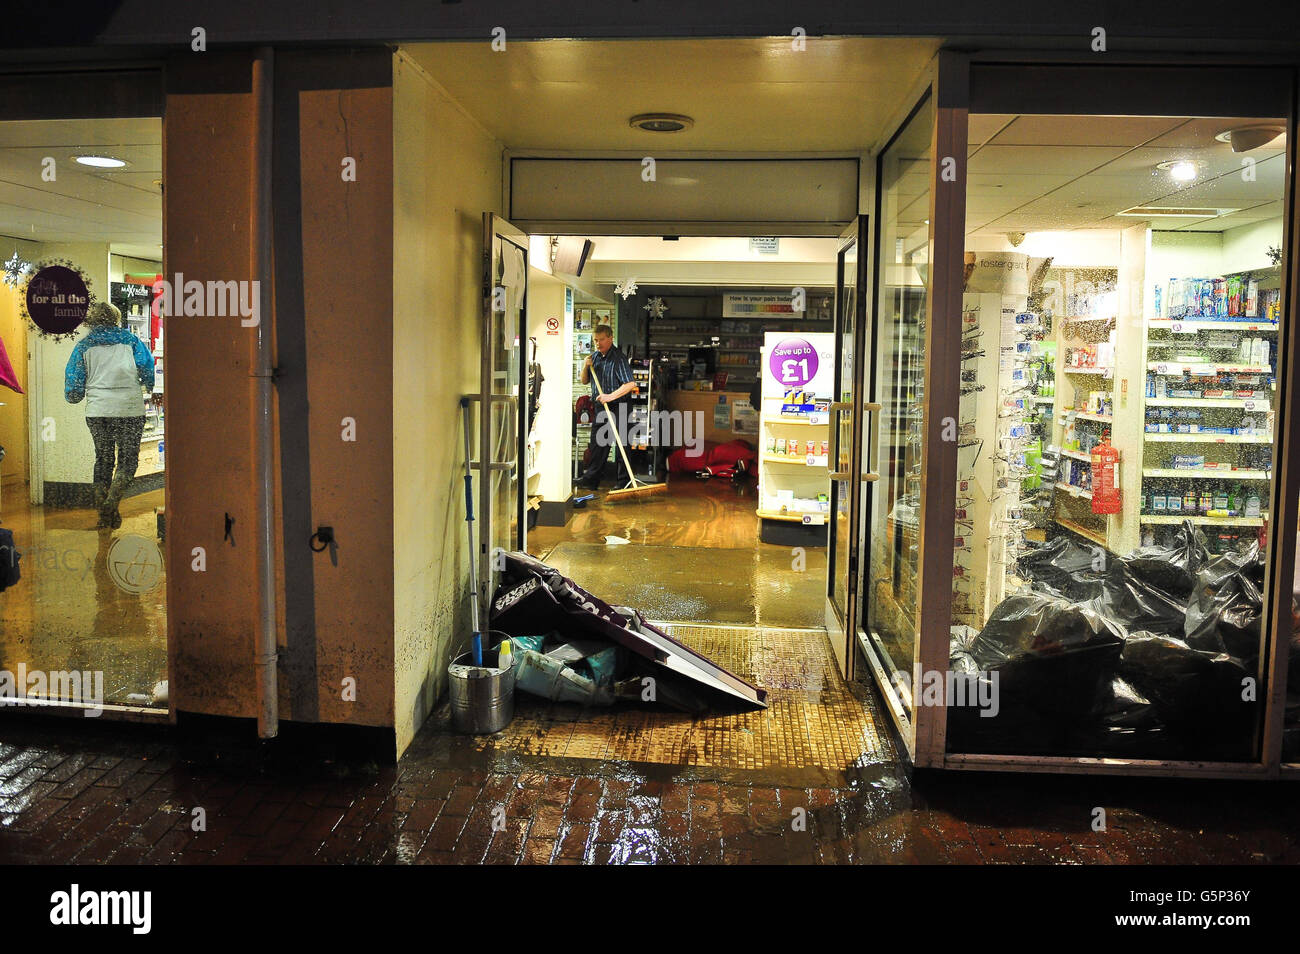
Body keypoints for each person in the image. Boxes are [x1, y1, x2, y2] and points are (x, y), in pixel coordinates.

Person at [64, 301, 155, 529]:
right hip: (129, 410)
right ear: (116, 319)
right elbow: (147, 367)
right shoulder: (131, 341)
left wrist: (74, 396)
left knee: (103, 460)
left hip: (97, 411)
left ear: (91, 321)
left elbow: (73, 381)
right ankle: (111, 504)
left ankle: (103, 510)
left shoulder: (84, 346)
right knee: (127, 461)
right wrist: (150, 385)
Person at [577, 323, 636, 491]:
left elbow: (630, 384)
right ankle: (591, 480)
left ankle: (624, 482)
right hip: (601, 408)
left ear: (610, 338)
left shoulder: (618, 358)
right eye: (596, 340)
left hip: (620, 406)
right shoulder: (594, 357)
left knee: (622, 445)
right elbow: (584, 380)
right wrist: (585, 366)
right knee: (598, 444)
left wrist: (609, 396)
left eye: (601, 339)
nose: (598, 343)